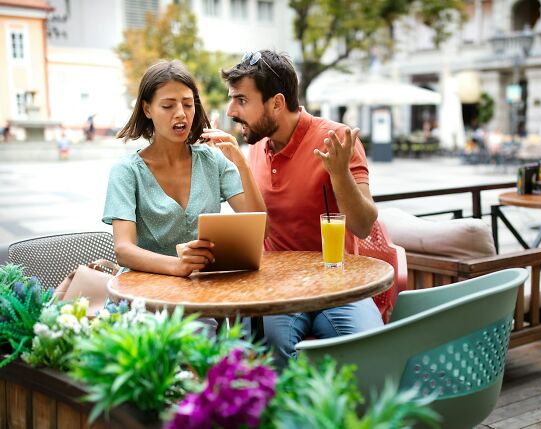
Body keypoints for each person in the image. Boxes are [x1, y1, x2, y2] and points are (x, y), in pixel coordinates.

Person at [207, 50, 382, 367]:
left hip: (338, 283)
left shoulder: (336, 139)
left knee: (373, 354)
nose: (231, 110)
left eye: (242, 100)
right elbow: (255, 223)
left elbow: (363, 225)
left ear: (276, 103)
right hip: (278, 288)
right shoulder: (255, 144)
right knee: (265, 355)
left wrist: (339, 173)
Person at [102, 60, 266, 277]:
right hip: (144, 296)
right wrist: (177, 266)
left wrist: (241, 163)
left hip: (202, 293)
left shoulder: (212, 161)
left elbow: (261, 230)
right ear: (147, 109)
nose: (181, 113)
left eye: (188, 104)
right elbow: (124, 250)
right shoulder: (126, 172)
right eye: (168, 105)